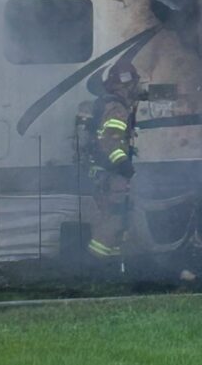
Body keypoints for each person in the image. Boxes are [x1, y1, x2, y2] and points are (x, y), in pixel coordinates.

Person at [83, 60, 141, 259]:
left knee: (119, 215)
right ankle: (97, 260)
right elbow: (110, 140)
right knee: (114, 216)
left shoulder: (106, 102)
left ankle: (114, 259)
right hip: (112, 172)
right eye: (133, 84)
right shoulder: (117, 108)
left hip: (104, 172)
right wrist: (122, 163)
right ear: (127, 84)